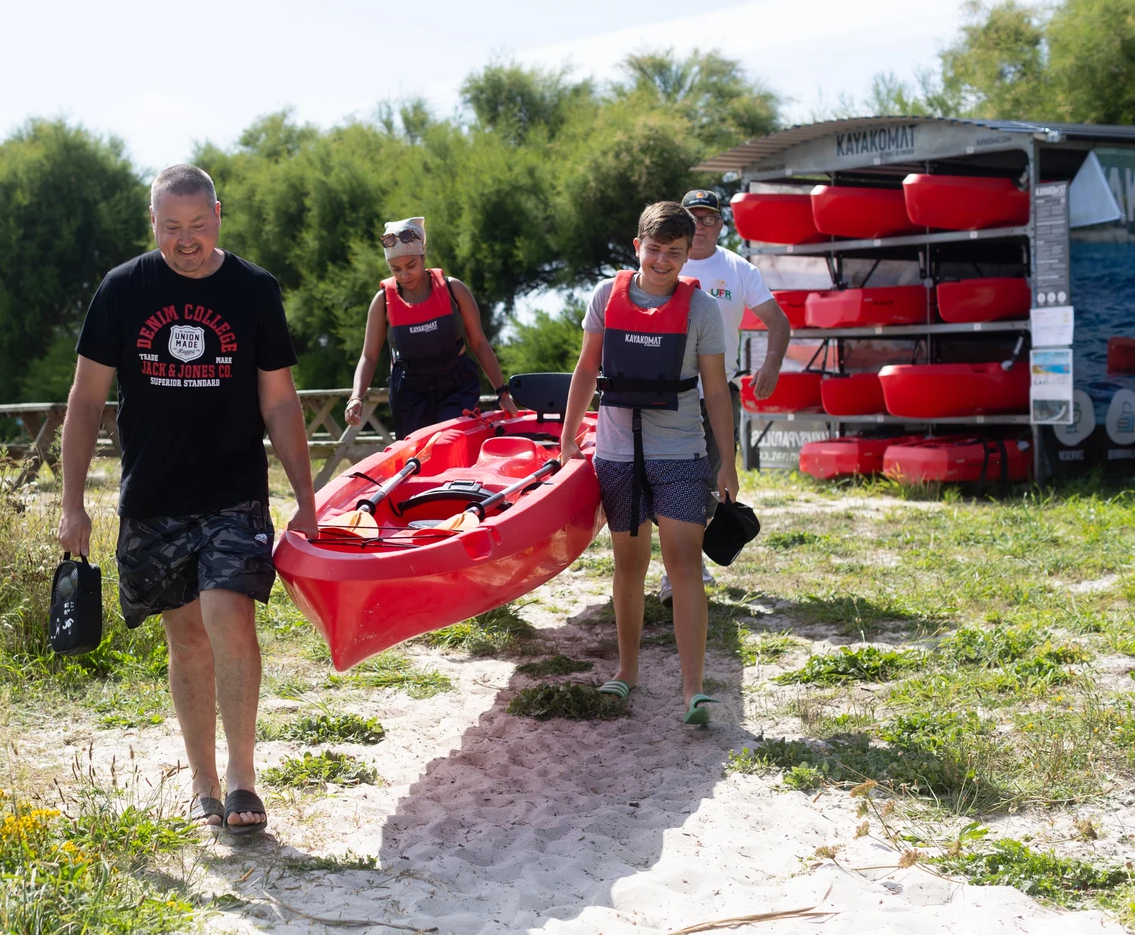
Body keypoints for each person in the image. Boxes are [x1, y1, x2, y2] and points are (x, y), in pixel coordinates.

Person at [57, 164, 318, 836]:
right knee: (187, 640)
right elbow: (85, 402)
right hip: (154, 496)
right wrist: (72, 503)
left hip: (234, 492)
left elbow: (280, 399)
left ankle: (242, 779)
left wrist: (307, 496)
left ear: (219, 216)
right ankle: (201, 782)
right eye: (172, 228)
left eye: (198, 226)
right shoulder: (123, 290)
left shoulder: (254, 290)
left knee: (230, 620)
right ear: (153, 224)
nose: (187, 241)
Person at [558, 202, 738, 726]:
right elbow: (586, 368)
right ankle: (627, 672)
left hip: (682, 453)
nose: (663, 261)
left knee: (685, 566)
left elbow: (717, 392)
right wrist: (569, 437)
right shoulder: (603, 297)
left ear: (688, 257)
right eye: (655, 250)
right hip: (617, 454)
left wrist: (726, 461)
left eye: (675, 254)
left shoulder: (701, 310)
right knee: (629, 566)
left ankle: (693, 690)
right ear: (638, 247)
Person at [660, 189, 792, 607]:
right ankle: (675, 571)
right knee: (674, 481)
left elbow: (778, 322)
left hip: (718, 394)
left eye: (709, 219)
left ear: (721, 224)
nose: (701, 225)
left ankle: (687, 565)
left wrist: (770, 365)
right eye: (693, 217)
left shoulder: (737, 268)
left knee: (711, 481)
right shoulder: (664, 263)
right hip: (665, 394)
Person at [344, 217, 519, 437]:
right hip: (409, 391)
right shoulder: (382, 301)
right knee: (418, 456)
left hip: (457, 385)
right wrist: (356, 397)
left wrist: (501, 391)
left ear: (423, 257)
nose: (404, 275)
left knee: (449, 441)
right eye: (395, 269)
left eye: (411, 266)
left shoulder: (453, 289)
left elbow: (479, 342)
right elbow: (369, 356)